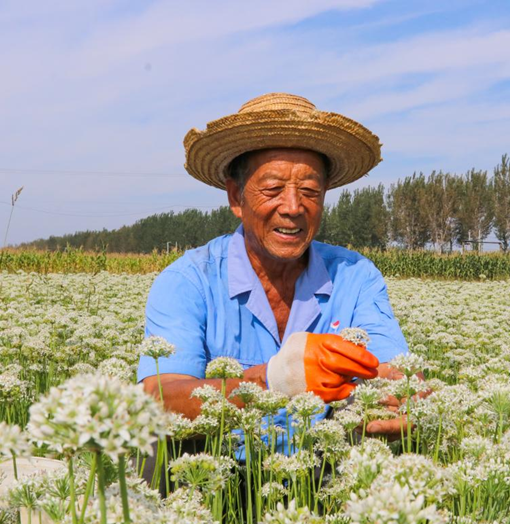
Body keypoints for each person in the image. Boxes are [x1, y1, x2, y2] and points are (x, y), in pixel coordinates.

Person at [137, 93, 411, 457]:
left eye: (310, 191)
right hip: (216, 468)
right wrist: (274, 380)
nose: (294, 207)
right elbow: (158, 396)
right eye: (273, 189)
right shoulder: (189, 280)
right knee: (154, 447)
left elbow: (397, 372)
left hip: (324, 467)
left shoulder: (356, 275)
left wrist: (398, 400)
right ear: (236, 198)